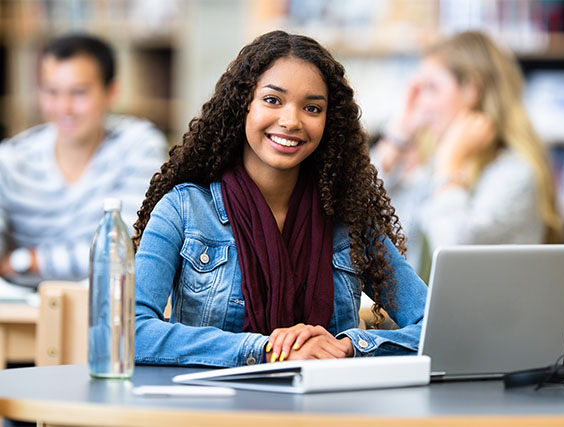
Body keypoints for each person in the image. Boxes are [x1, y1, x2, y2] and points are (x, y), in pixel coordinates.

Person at [133, 30, 427, 367]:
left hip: (325, 410)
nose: (291, 121)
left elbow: (434, 324)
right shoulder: (183, 210)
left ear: (329, 121)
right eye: (273, 100)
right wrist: (263, 349)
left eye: (312, 108)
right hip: (215, 412)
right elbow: (133, 332)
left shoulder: (349, 218)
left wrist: (348, 346)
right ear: (242, 105)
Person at [372, 31, 564, 273]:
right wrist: (397, 135)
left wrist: (450, 166)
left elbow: (454, 260)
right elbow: (366, 214)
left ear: (471, 91)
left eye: (431, 88)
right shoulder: (438, 165)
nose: (421, 103)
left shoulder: (514, 174)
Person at [0, 34, 167, 286]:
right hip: (23, 314)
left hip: (109, 307)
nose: (64, 107)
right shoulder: (12, 158)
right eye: (51, 92)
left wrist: (25, 261)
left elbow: (130, 243)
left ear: (111, 92)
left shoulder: (138, 145)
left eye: (78, 93)